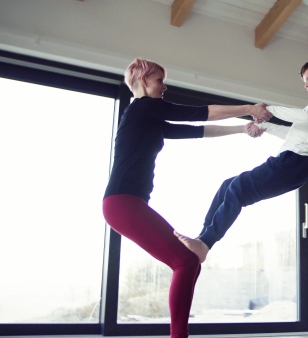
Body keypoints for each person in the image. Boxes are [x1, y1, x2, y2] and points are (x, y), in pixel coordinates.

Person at [102, 57, 272, 338]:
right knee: (187, 261)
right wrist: (249, 109)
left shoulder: (147, 117)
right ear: (143, 81)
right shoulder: (144, 107)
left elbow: (199, 131)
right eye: (159, 80)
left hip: (126, 203)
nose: (164, 86)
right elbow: (199, 113)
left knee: (189, 261)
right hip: (123, 203)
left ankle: (179, 334)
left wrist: (242, 128)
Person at [174, 57, 308, 263]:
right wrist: (264, 126)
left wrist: (268, 109)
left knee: (238, 188)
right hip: (297, 163)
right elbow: (294, 134)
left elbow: (305, 116)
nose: (305, 84)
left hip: (296, 161)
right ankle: (202, 239)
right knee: (228, 186)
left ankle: (204, 244)